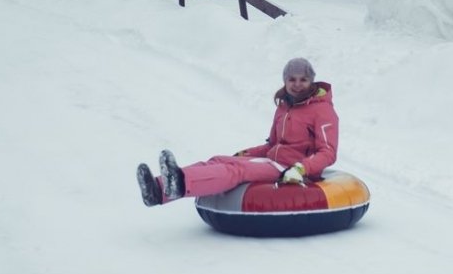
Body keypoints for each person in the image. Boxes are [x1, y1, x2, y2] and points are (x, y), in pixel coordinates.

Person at [136, 58, 339, 207]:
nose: (297, 85)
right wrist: (248, 153)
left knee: (236, 171)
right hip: (274, 161)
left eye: (303, 79)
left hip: (292, 170)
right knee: (218, 160)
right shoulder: (284, 107)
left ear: (311, 81)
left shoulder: (322, 110)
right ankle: (158, 189)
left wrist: (301, 169)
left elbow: (328, 152)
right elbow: (274, 145)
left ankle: (180, 182)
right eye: (292, 79)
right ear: (285, 81)